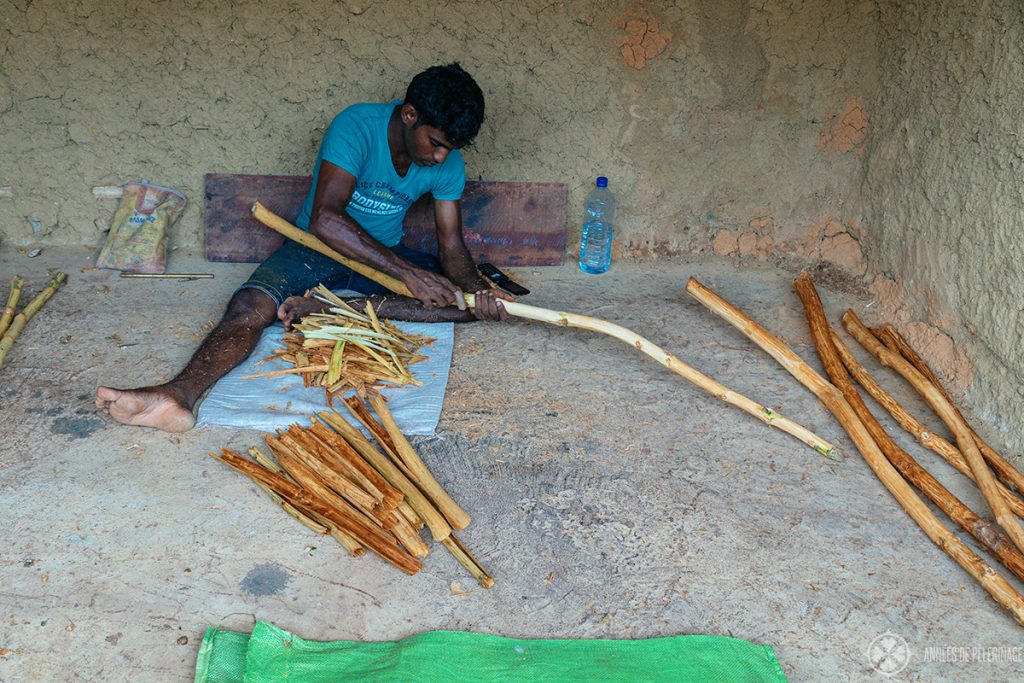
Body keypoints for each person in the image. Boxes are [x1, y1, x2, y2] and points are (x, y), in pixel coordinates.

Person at [96, 63, 512, 433]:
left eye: (449, 149)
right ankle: (176, 395)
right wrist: (408, 274)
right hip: (316, 247)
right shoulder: (357, 126)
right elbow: (326, 219)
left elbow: (452, 245)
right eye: (435, 143)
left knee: (461, 305)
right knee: (249, 307)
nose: (440, 158)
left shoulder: (447, 162)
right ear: (409, 115)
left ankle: (329, 309)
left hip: (381, 255)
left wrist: (479, 291)